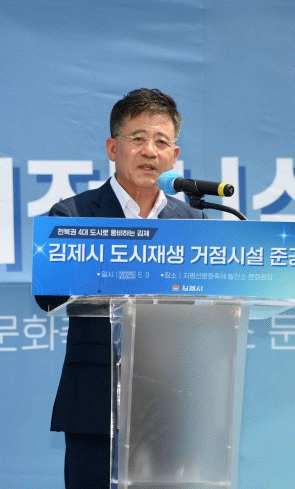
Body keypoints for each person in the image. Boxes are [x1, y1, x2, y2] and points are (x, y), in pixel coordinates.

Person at [35, 88, 207, 488]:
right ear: (113, 148)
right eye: (138, 138)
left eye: (161, 142)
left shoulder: (194, 221)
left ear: (174, 156)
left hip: (169, 403)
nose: (150, 151)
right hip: (96, 403)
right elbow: (47, 295)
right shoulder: (73, 216)